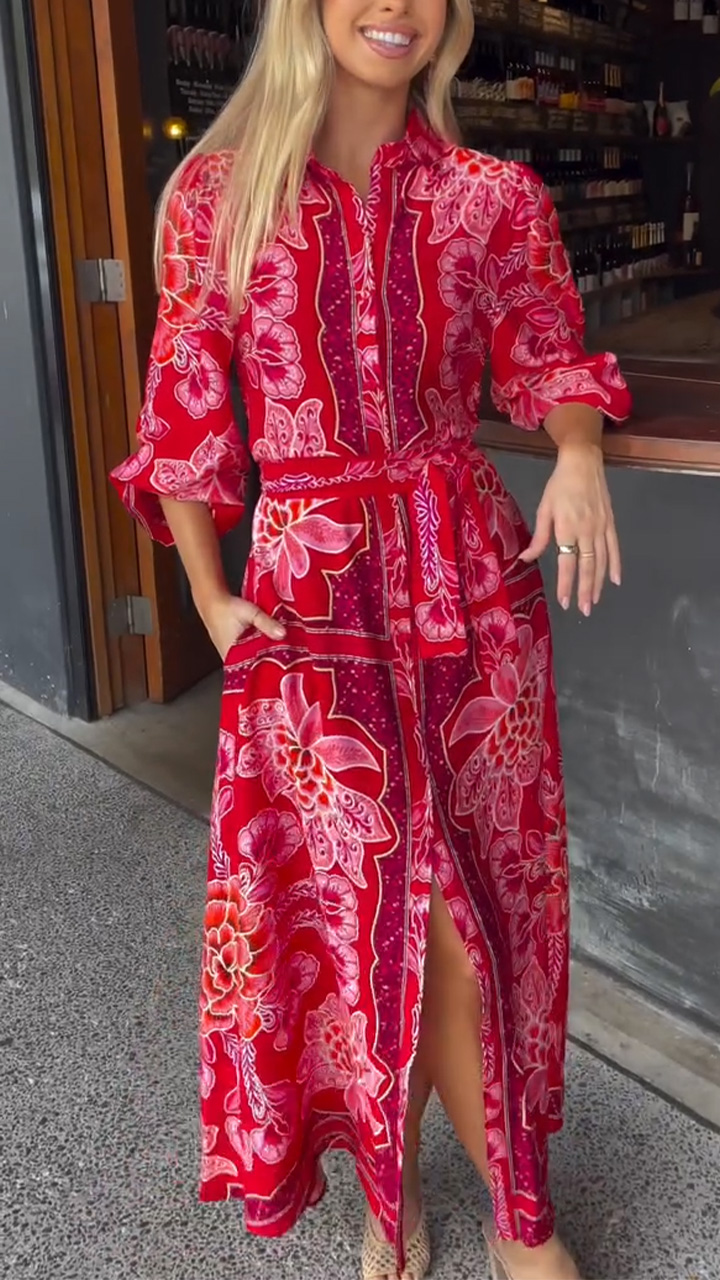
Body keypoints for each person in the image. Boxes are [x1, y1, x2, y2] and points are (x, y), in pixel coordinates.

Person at [111, 2, 631, 1277]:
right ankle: (415, 1198)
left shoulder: (491, 197)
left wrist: (576, 451)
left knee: (473, 909)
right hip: (309, 607)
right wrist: (208, 597)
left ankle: (497, 1209)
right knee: (356, 916)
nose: (395, 5)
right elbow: (184, 408)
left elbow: (544, 350)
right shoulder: (218, 198)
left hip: (469, 592)